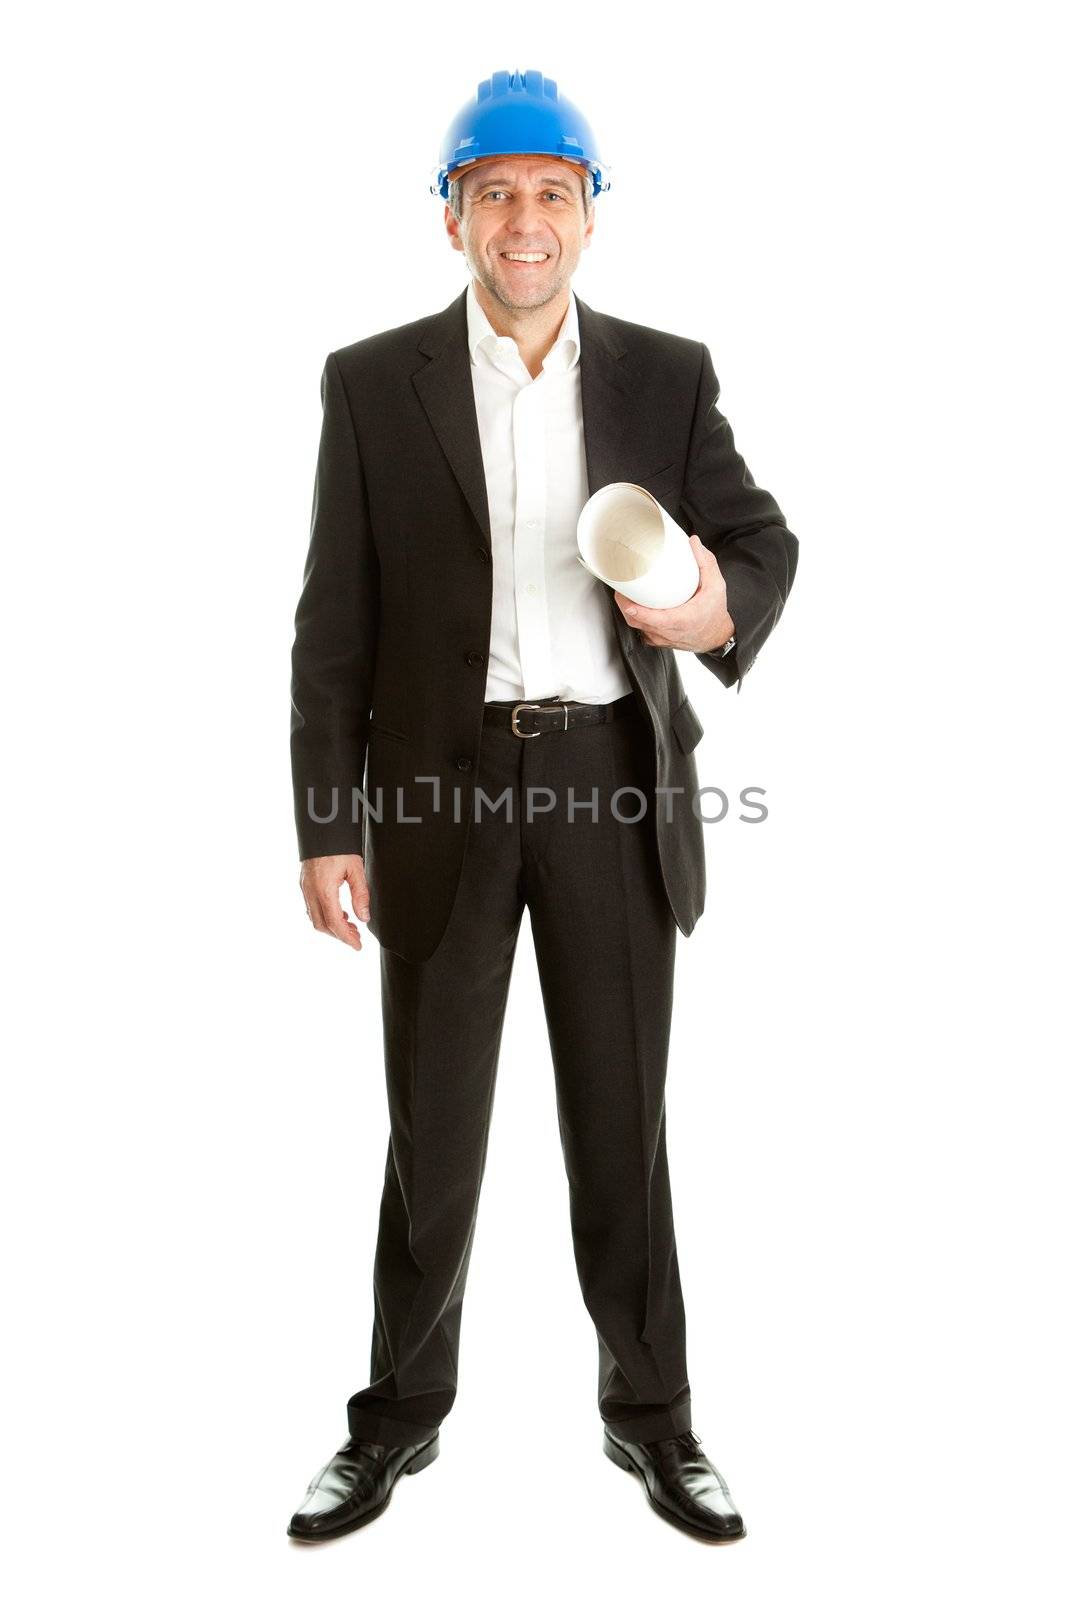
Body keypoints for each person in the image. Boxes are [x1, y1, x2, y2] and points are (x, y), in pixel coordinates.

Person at [287, 67, 798, 1545]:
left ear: (591, 218)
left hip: (609, 787)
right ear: (452, 218)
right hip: (434, 794)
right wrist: (329, 823)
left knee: (619, 1126)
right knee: (428, 1132)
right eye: (494, 192)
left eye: (551, 194)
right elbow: (333, 622)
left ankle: (655, 1421)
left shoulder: (666, 373)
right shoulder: (371, 383)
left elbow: (762, 543)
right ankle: (394, 1423)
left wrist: (714, 608)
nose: (525, 221)